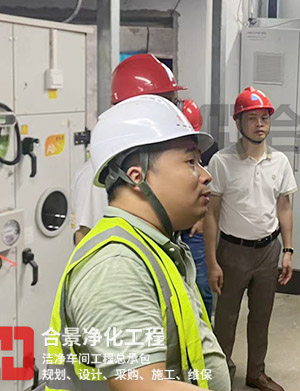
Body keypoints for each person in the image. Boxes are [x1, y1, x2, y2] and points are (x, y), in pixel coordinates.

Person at [44, 95, 300, 391]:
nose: (205, 175)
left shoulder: (156, 248)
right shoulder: (116, 265)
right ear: (137, 176)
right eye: (191, 162)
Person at [71, 53, 216, 317]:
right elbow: (84, 236)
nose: (176, 111)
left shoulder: (162, 242)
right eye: (169, 102)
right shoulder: (100, 175)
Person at [204, 86, 296, 391]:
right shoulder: (221, 162)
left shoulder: (279, 161)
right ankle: (221, 377)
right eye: (252, 118)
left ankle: (256, 372)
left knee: (261, 316)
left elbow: (284, 207)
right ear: (238, 122)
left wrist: (288, 250)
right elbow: (211, 213)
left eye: (264, 118)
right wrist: (212, 261)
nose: (260, 124)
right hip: (232, 252)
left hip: (268, 250)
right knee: (225, 319)